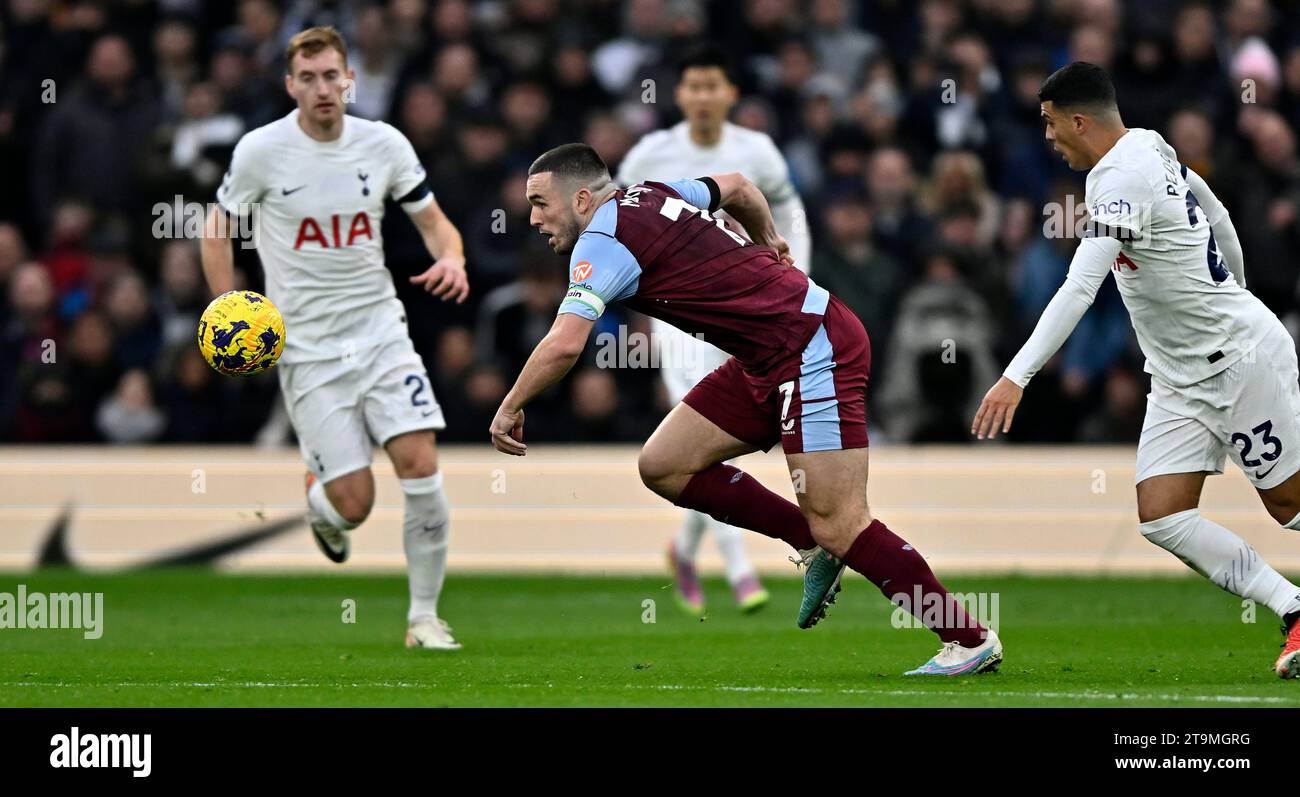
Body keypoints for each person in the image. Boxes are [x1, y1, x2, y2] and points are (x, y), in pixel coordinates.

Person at [492, 143, 1002, 676]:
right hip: (764, 356)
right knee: (664, 464)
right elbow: (736, 185)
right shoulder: (653, 194)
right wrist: (768, 238)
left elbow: (565, 344)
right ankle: (810, 542)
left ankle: (966, 638)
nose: (532, 218)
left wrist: (510, 405)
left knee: (842, 521)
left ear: (580, 198)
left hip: (811, 347)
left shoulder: (601, 241)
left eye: (540, 203)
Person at [973, 62, 1300, 679]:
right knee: (1163, 515)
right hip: (1179, 375)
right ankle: (1293, 609)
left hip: (1237, 361)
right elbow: (1218, 213)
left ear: (1078, 120)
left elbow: (1080, 286)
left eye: (1049, 123)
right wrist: (1237, 287)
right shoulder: (1149, 141)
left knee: (1287, 504)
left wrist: (1016, 375)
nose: (1047, 137)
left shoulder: (1119, 179)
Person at [200, 27, 469, 651]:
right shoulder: (261, 151)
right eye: (309, 78)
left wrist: (452, 258)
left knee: (421, 465)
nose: (323, 88)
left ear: (349, 80)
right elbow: (216, 228)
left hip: (379, 330)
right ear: (290, 85)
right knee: (355, 505)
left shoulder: (384, 144)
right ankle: (322, 497)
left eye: (332, 76)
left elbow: (435, 223)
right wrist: (227, 305)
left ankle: (424, 618)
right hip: (307, 348)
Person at [615, 43, 814, 616]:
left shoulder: (758, 152)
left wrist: (794, 279)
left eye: (713, 85)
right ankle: (740, 569)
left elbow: (791, 217)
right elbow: (619, 225)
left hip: (750, 309)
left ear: (731, 94)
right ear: (679, 95)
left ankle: (684, 550)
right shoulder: (653, 152)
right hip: (678, 314)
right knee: (694, 437)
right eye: (693, 86)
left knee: (707, 447)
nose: (702, 96)